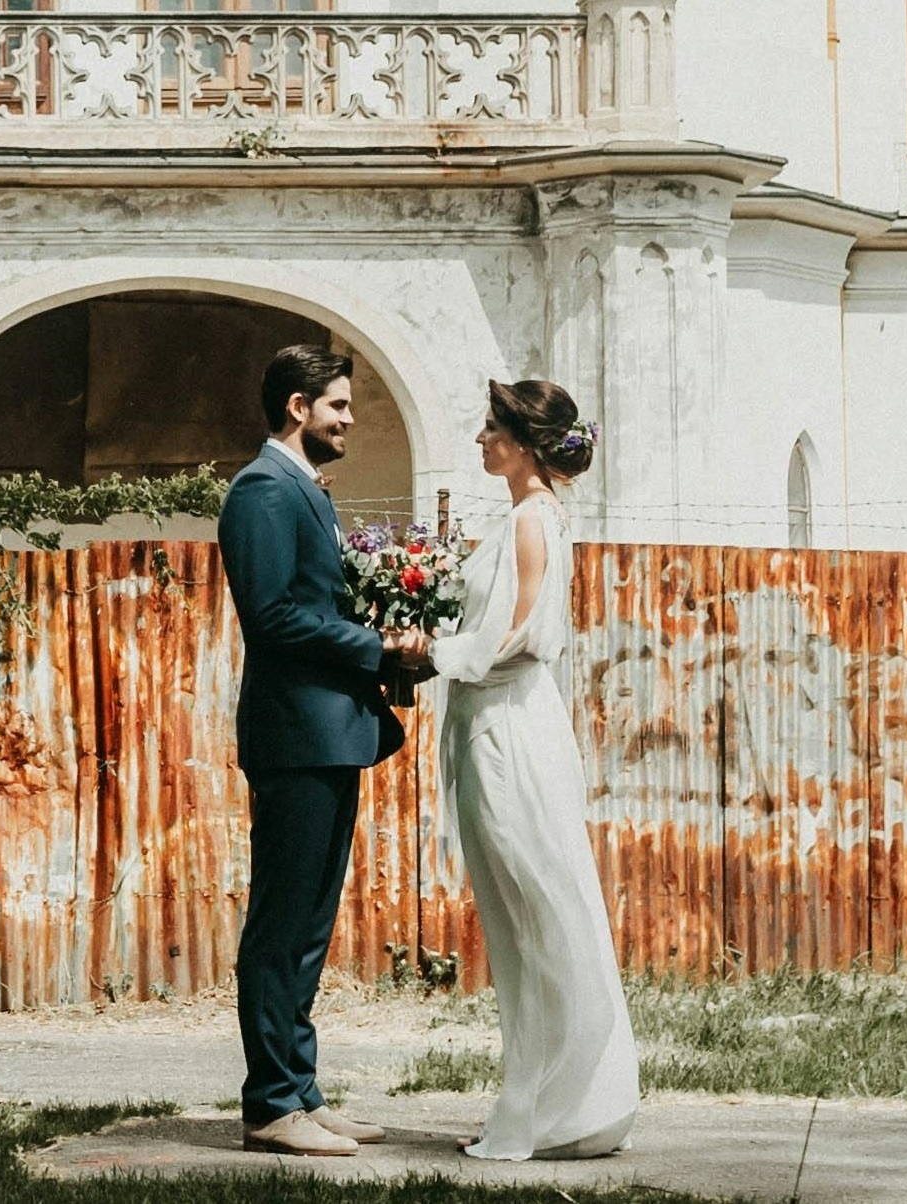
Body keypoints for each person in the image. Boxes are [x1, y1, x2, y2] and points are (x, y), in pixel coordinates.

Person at [389, 378, 638, 1161]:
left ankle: (562, 1108)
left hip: (506, 731)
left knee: (537, 915)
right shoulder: (532, 516)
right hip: (497, 720)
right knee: (525, 917)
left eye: (491, 428)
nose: (479, 439)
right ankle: (547, 1102)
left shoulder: (532, 519)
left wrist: (431, 652)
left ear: (525, 443)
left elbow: (524, 638)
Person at [217, 344, 414, 1157]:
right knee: (281, 924)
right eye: (337, 404)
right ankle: (270, 1104)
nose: (348, 420)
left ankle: (300, 1091)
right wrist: (377, 647)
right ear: (297, 407)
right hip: (295, 735)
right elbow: (270, 616)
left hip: (327, 733)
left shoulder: (303, 489)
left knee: (307, 926)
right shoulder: (263, 489)